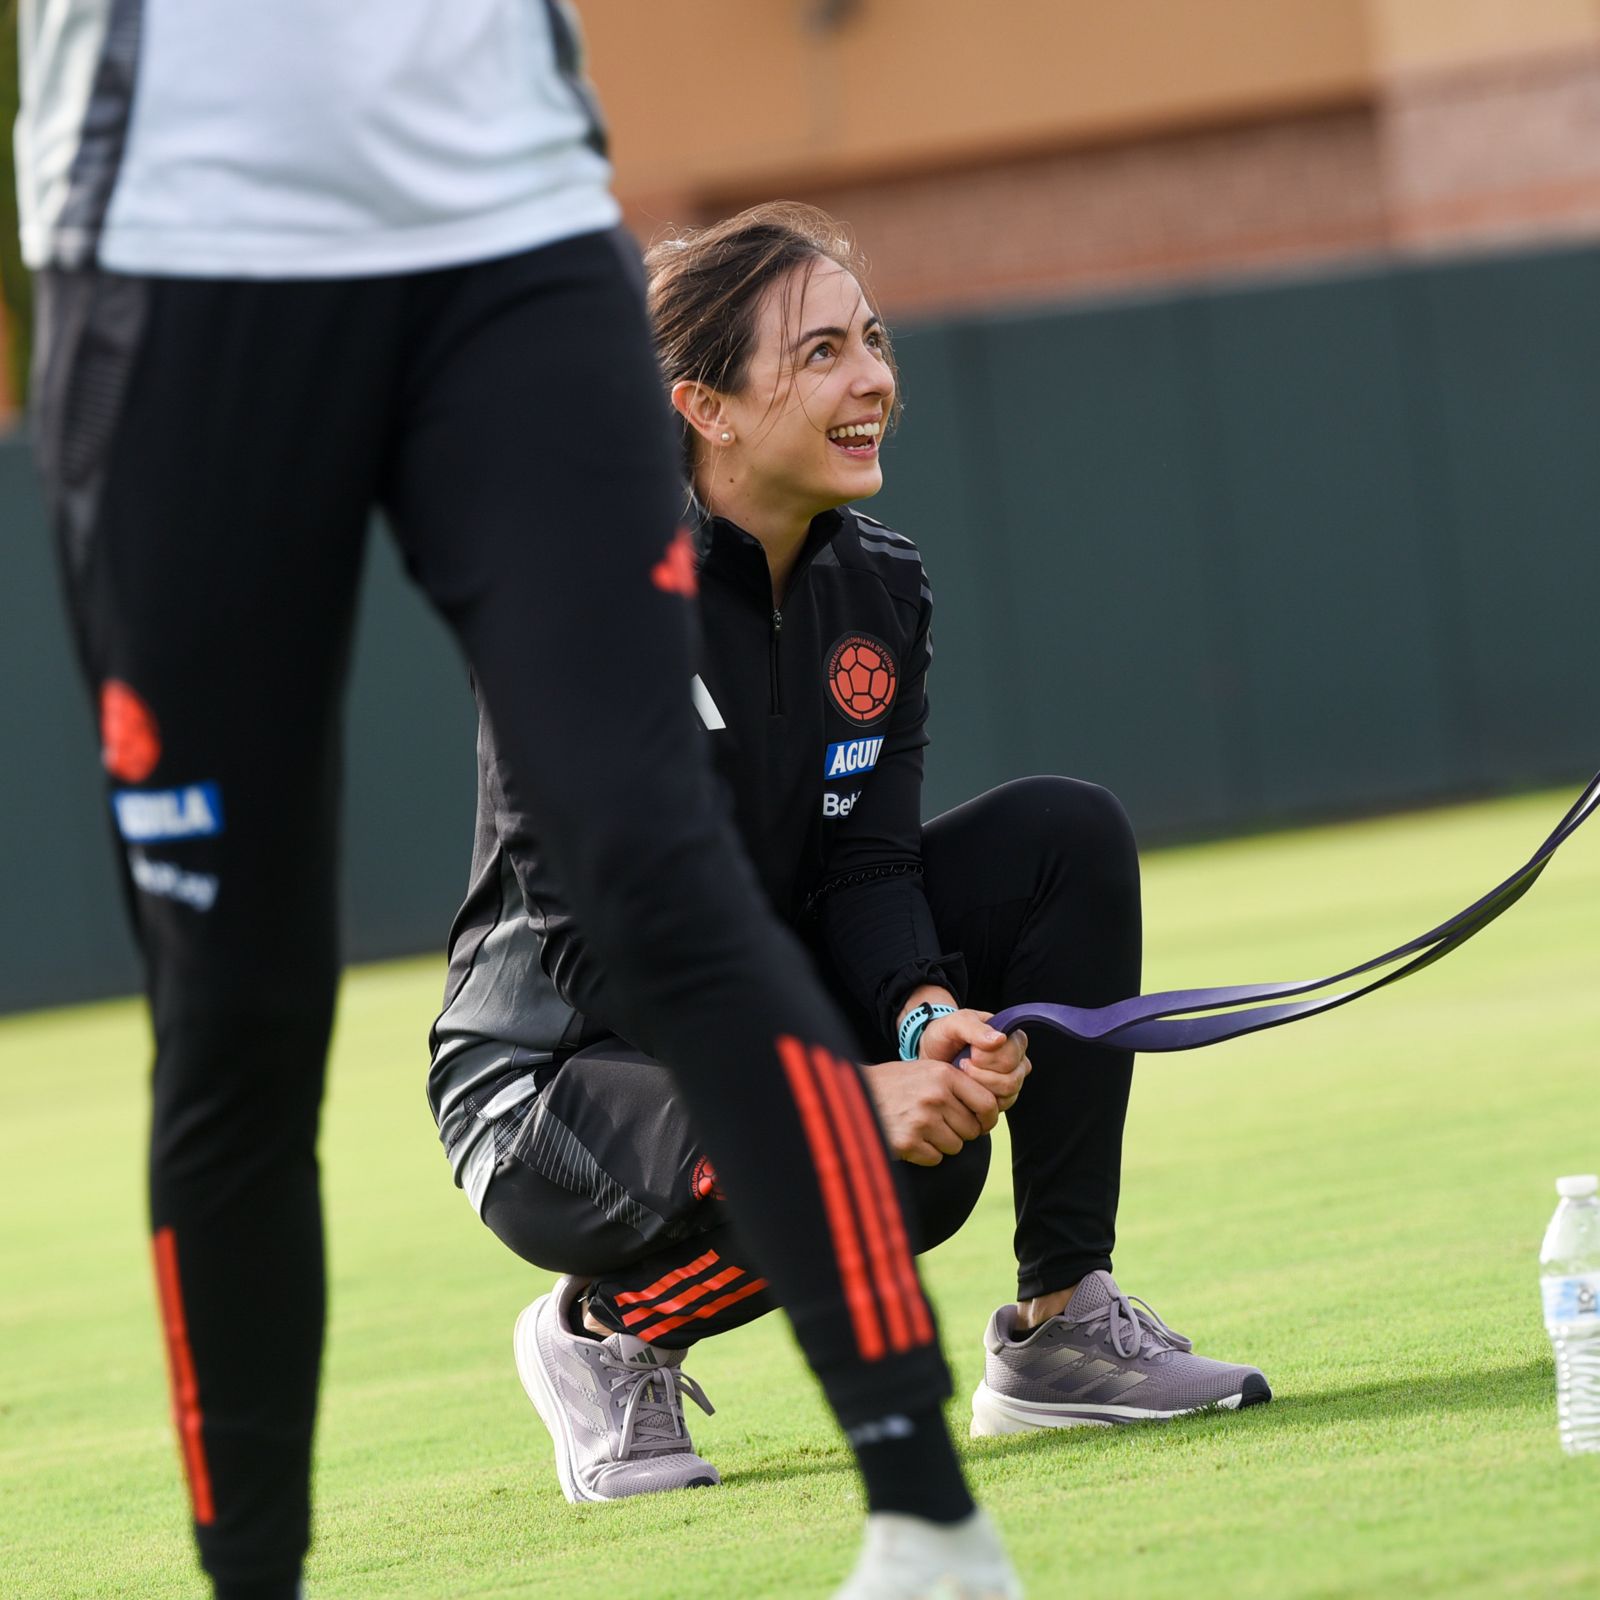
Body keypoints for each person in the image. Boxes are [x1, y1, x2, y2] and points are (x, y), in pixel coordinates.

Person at [17, 11, 1009, 1599]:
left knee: (670, 882)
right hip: (170, 241)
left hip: (507, 222)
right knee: (238, 1010)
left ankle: (937, 1538)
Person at [431, 202, 1270, 1518]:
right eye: (820, 353)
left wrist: (922, 1014)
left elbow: (867, 869)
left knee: (1063, 837)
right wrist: (832, 1091)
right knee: (870, 1146)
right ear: (706, 407)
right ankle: (606, 1337)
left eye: (870, 341)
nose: (873, 376)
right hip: (555, 1083)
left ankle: (1060, 1320)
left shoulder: (880, 584)